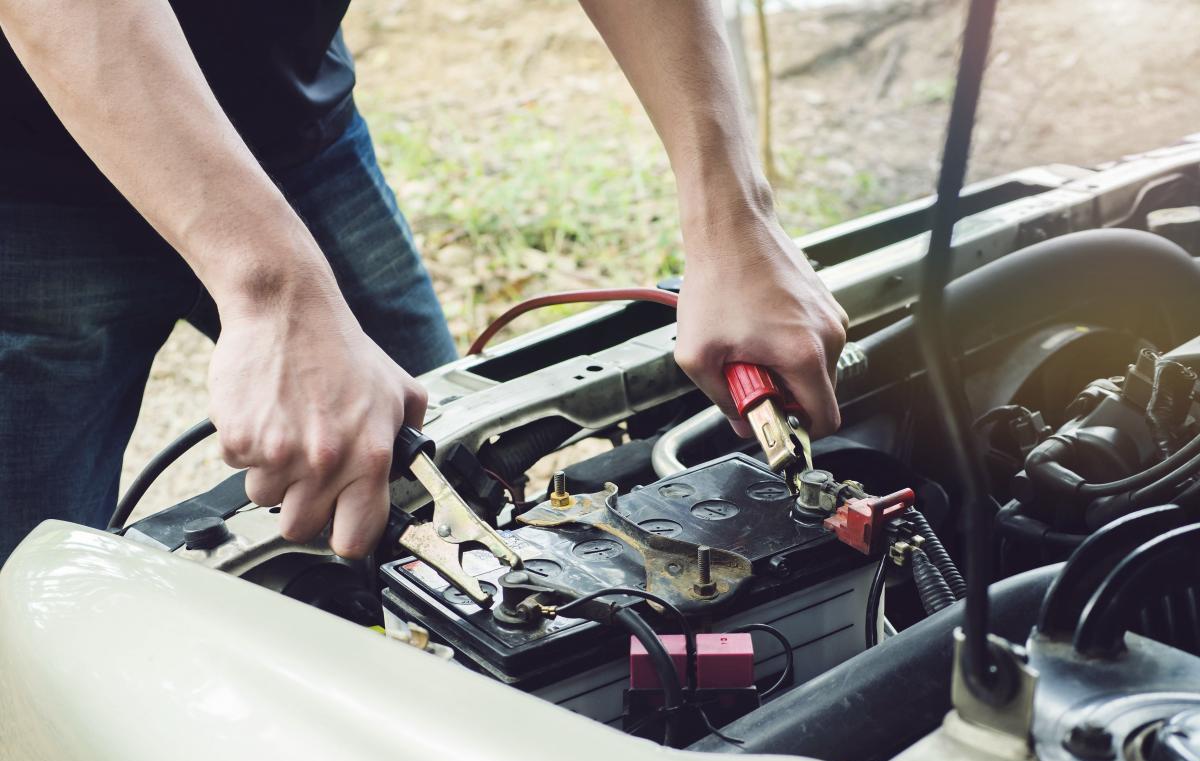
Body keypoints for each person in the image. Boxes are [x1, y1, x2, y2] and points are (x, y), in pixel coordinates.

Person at [0, 1, 847, 563]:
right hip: (28, 192)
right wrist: (273, 286)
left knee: (449, 484)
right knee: (25, 596)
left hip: (298, 130)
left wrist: (735, 215)